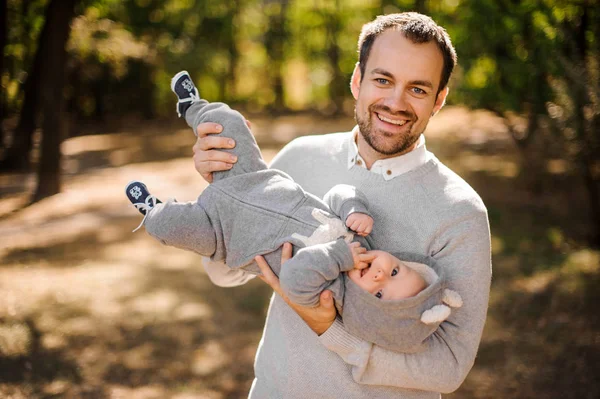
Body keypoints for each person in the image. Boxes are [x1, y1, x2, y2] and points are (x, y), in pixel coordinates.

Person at [192, 12, 492, 398]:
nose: (395, 102)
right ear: (357, 80)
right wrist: (224, 193)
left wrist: (330, 331)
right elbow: (226, 274)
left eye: (417, 89)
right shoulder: (299, 158)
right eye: (383, 80)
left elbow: (448, 366)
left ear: (439, 100)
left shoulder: (461, 212)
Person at [125, 71, 463, 353]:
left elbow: (293, 277)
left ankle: (154, 212)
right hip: (255, 181)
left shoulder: (329, 290)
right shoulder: (361, 237)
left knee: (173, 226)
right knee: (226, 122)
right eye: (394, 273)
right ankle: (193, 106)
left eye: (378, 294)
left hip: (225, 235)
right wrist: (353, 208)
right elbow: (338, 194)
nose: (377, 276)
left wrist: (339, 258)